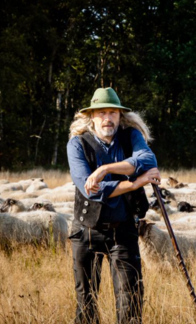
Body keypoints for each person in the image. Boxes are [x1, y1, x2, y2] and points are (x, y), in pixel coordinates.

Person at [67, 87, 160, 324]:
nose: (107, 118)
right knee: (86, 300)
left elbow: (147, 160)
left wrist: (105, 169)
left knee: (131, 297)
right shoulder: (77, 145)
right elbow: (92, 191)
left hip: (124, 228)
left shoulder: (131, 136)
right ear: (92, 116)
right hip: (87, 231)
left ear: (120, 116)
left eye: (113, 113)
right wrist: (135, 182)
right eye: (101, 113)